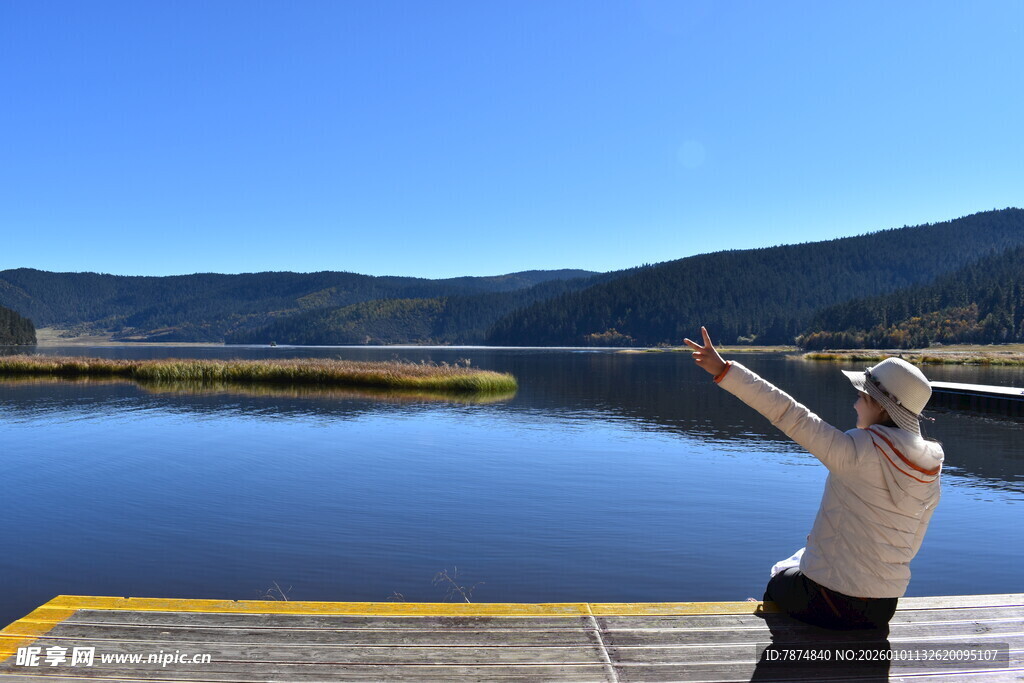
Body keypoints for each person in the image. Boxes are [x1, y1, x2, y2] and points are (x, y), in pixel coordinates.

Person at [683, 327, 943, 631]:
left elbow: (788, 413)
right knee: (804, 559)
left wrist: (725, 370)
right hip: (883, 609)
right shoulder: (929, 467)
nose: (855, 404)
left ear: (880, 406)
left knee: (779, 581)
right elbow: (912, 544)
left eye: (861, 397)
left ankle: (786, 657)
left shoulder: (856, 450)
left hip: (829, 600)